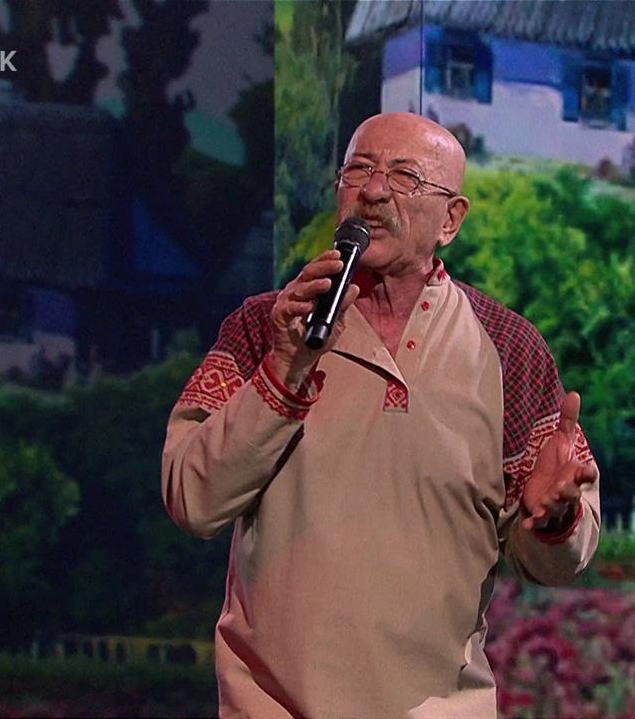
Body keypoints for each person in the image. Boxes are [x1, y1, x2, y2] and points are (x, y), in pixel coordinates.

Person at [162, 112, 600, 718]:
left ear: (451, 220)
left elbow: (555, 560)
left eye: (404, 177)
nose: (372, 192)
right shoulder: (267, 325)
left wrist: (556, 518)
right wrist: (282, 369)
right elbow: (192, 499)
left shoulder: (509, 348)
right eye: (358, 171)